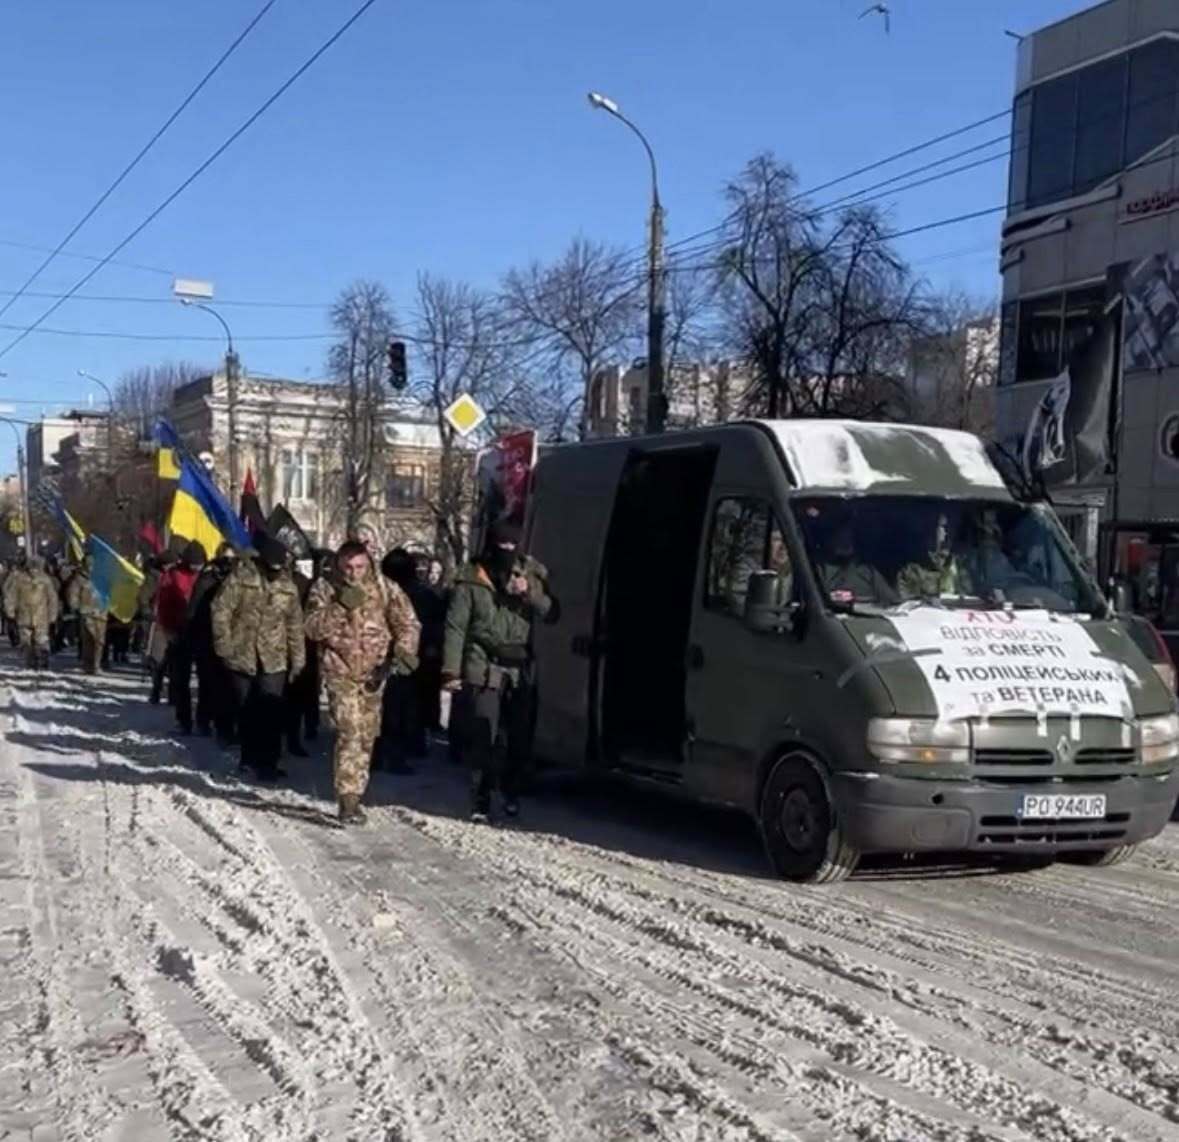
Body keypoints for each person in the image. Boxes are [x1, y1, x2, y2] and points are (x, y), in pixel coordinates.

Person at [443, 522, 554, 822]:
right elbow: (456, 627)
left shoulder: (531, 573)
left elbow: (551, 610)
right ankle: (480, 796)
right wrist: (451, 670)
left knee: (517, 736)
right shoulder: (471, 579)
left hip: (519, 667)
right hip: (483, 662)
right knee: (483, 731)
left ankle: (511, 790)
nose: (506, 551)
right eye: (501, 545)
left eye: (511, 545)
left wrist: (529, 592)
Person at [305, 539, 420, 823]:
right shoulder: (325, 588)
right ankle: (347, 800)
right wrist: (340, 605)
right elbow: (311, 628)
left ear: (368, 563)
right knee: (349, 732)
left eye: (359, 566)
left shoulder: (384, 587)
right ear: (339, 563)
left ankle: (356, 792)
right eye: (347, 566)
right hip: (340, 671)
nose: (353, 573)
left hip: (374, 674)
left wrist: (405, 649)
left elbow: (407, 621)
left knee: (367, 736)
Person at [211, 534, 305, 781]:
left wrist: (298, 659)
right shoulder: (240, 580)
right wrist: (224, 647)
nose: (275, 572)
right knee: (247, 709)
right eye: (271, 567)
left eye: (279, 568)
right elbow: (221, 612)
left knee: (272, 711)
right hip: (242, 653)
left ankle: (269, 762)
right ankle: (248, 757)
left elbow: (295, 624)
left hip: (274, 658)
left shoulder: (288, 587)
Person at [176, 544, 237, 741]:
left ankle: (224, 727)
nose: (228, 564)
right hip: (206, 639)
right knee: (209, 684)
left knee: (229, 686)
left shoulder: (237, 580)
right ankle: (204, 720)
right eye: (225, 559)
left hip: (233, 640)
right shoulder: (207, 579)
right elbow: (193, 610)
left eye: (231, 560)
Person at [815, 521, 897, 607]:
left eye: (849, 538)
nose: (845, 540)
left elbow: (892, 602)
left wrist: (857, 600)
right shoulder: (817, 570)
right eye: (840, 538)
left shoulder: (867, 571)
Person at [898, 513, 974, 601]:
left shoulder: (957, 566)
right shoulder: (912, 571)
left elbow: (970, 595)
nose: (945, 534)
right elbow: (906, 604)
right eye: (941, 528)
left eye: (947, 529)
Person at [8, 555, 60, 670]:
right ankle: (33, 662)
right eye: (31, 567)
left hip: (38, 615)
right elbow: (12, 596)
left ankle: (39, 662)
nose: (33, 570)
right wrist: (10, 610)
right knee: (30, 641)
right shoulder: (20, 579)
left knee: (38, 640)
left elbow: (52, 598)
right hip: (29, 615)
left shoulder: (44, 580)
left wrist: (53, 614)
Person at [65, 554, 108, 674]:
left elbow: (108, 595)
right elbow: (73, 596)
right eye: (89, 564)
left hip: (101, 614)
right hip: (87, 614)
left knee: (100, 641)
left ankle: (97, 664)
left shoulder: (102, 579)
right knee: (89, 640)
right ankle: (88, 664)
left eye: (93, 564)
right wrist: (78, 608)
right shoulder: (79, 579)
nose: (91, 567)